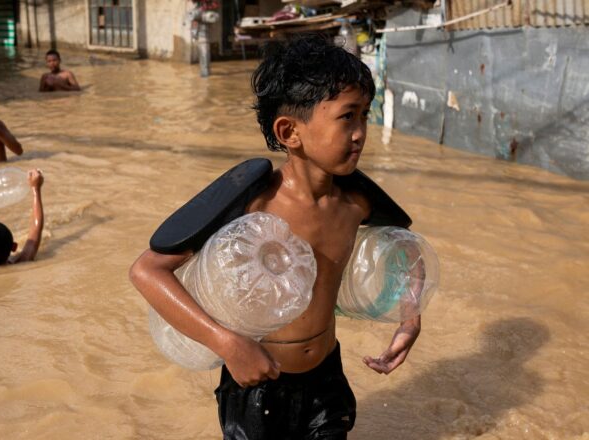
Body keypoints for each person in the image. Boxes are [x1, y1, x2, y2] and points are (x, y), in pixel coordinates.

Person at [129, 35, 421, 439]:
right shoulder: (253, 202)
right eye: (347, 116)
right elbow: (147, 270)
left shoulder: (357, 202)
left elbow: (407, 250)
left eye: (365, 115)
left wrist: (410, 316)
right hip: (255, 383)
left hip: (326, 379)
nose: (360, 133)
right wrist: (227, 343)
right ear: (289, 131)